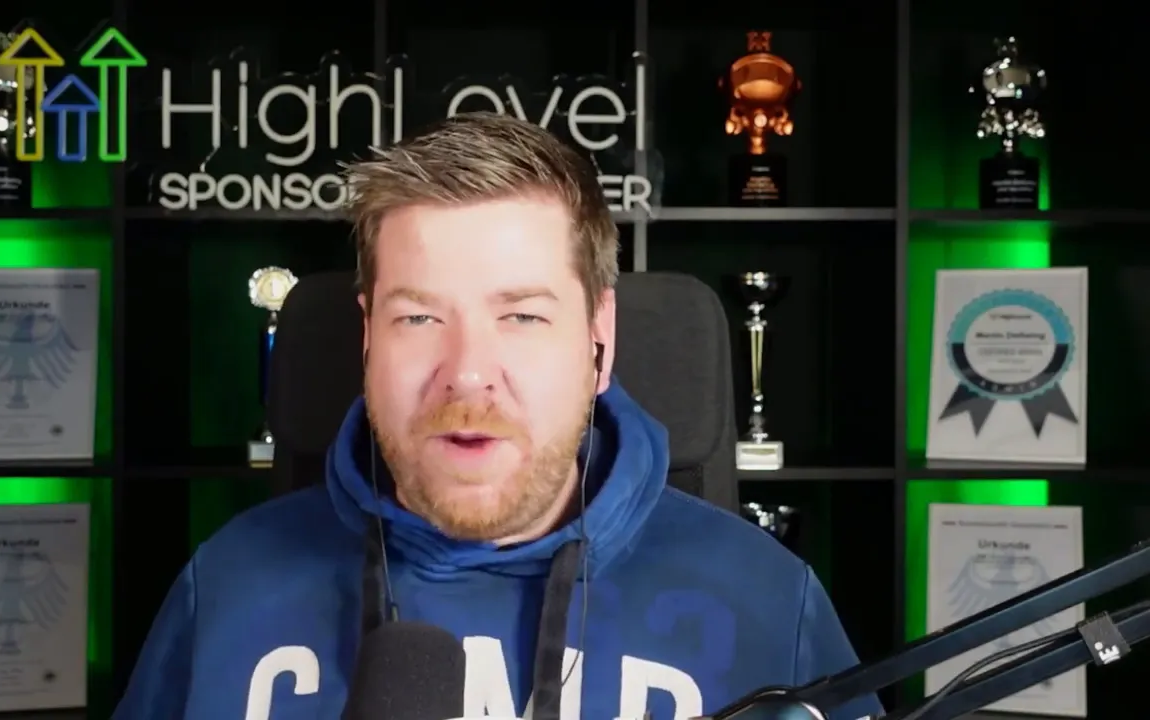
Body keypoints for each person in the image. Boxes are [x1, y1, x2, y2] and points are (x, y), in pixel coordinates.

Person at [113, 112, 883, 720]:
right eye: (418, 319)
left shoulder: (770, 604)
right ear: (367, 338)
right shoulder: (225, 587)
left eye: (520, 317)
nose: (469, 373)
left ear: (598, 342)